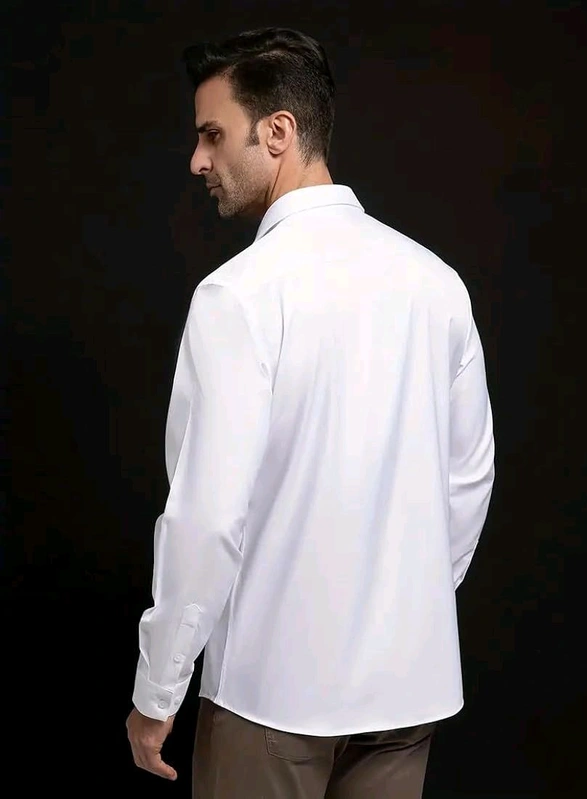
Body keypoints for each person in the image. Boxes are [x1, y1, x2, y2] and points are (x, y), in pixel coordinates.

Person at [126, 27, 495, 799]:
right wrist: (402, 601)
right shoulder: (436, 283)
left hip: (272, 693)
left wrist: (157, 691)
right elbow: (467, 481)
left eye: (212, 134)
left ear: (278, 132)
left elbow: (206, 518)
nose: (197, 160)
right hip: (408, 686)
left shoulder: (239, 296)